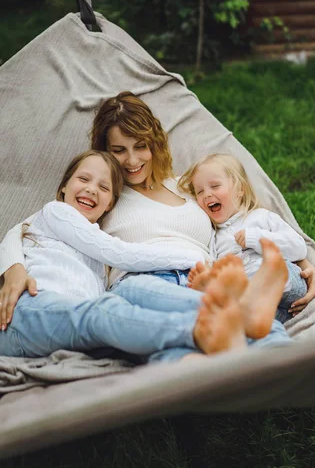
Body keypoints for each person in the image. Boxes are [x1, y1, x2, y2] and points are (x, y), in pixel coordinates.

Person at [0, 92, 315, 332]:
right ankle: (236, 325)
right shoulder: (103, 196)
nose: (132, 160)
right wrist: (13, 268)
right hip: (148, 284)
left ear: (154, 144)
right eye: (118, 150)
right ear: (104, 151)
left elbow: (243, 219)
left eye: (140, 146)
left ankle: (228, 322)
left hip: (208, 279)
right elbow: (30, 225)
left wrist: (302, 263)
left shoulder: (187, 187)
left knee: (284, 285)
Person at [0, 149, 296, 361]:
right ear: (63, 187)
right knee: (106, 310)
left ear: (110, 204)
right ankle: (202, 332)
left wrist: (296, 254)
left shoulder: (97, 242)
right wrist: (191, 260)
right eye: (83, 180)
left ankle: (274, 354)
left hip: (75, 330)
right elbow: (119, 253)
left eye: (103, 187)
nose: (92, 189)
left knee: (129, 327)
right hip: (25, 313)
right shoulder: (56, 212)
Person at [178, 153, 310, 323]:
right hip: (268, 309)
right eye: (200, 191)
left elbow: (299, 248)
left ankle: (263, 279)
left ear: (240, 189)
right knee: (242, 313)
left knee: (276, 271)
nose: (207, 195)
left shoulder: (261, 217)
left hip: (288, 285)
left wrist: (257, 239)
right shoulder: (214, 237)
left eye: (215, 186)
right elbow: (214, 265)